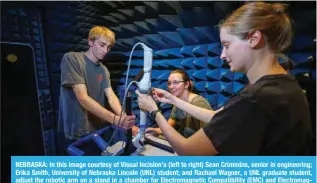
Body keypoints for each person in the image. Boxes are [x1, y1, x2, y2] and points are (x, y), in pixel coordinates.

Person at [136, 2, 312, 155]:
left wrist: (154, 111)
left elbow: (188, 151)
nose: (222, 55)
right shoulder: (282, 85)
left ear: (253, 38)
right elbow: (216, 117)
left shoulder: (256, 98)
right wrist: (171, 99)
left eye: (227, 45)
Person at [58, 26, 135, 155]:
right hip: (78, 131)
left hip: (98, 129)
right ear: (90, 42)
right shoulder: (72, 59)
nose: (105, 50)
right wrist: (115, 119)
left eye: (109, 47)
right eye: (102, 45)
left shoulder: (103, 69)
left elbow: (110, 95)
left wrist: (123, 118)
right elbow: (82, 97)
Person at [133, 69, 213, 138]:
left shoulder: (199, 103)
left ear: (186, 84)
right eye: (169, 83)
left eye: (175, 82)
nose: (171, 86)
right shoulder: (177, 104)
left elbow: (210, 138)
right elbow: (168, 128)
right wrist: (149, 130)